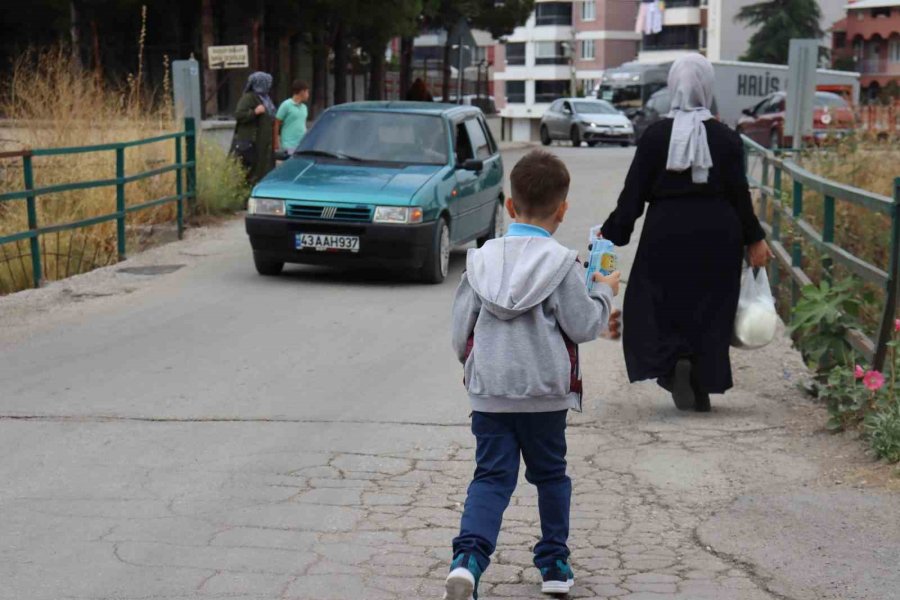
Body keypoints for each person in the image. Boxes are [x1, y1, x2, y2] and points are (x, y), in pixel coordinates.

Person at [446, 150, 621, 600]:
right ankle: (554, 565)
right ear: (563, 210)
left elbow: (458, 333)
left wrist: (479, 365)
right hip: (544, 396)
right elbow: (584, 326)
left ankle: (467, 561)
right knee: (550, 476)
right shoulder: (564, 264)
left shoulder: (481, 260)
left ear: (509, 206)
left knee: (490, 478)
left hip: (491, 395)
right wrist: (603, 288)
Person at [599, 54, 773, 413]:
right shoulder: (726, 138)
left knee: (657, 303)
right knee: (711, 309)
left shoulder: (655, 136)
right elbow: (740, 196)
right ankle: (700, 379)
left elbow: (633, 195)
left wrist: (611, 233)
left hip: (667, 233)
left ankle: (672, 365)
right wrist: (754, 238)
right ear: (708, 88)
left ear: (672, 86)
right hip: (718, 236)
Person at [232, 72, 276, 183]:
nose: (269, 85)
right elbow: (239, 115)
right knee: (251, 173)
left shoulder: (266, 99)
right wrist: (254, 112)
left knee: (263, 170)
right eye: (267, 82)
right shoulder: (249, 97)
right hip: (252, 144)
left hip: (264, 144)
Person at [274, 80, 310, 156]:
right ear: (302, 92)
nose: (308, 95)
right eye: (307, 92)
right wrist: (276, 141)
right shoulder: (286, 105)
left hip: (302, 144)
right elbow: (276, 123)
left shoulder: (304, 107)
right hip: (289, 144)